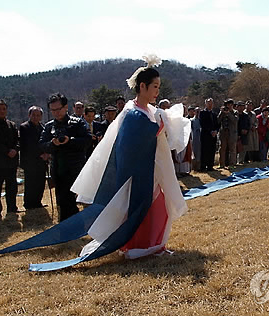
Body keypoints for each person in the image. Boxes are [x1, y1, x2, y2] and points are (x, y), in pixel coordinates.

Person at [71, 55, 189, 260]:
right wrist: (162, 124)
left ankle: (153, 245)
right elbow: (140, 136)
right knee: (141, 209)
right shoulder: (133, 112)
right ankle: (138, 246)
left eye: (158, 87)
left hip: (150, 170)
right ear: (142, 86)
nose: (157, 92)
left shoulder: (148, 110)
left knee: (158, 208)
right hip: (137, 173)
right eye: (154, 87)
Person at [40, 93, 92, 221]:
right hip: (58, 168)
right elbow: (41, 145)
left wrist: (70, 141)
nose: (56, 113)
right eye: (53, 110)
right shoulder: (49, 126)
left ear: (66, 107)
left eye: (58, 109)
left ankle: (74, 222)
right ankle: (67, 224)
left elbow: (87, 141)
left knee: (74, 199)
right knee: (62, 199)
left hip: (75, 167)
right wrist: (52, 143)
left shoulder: (77, 123)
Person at [19, 106, 49, 210]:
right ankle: (29, 204)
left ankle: (38, 202)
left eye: (38, 115)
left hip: (42, 161)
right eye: (33, 115)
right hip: (30, 160)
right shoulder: (24, 127)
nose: (36, 117)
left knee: (40, 182)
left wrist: (46, 153)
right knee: (31, 183)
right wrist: (39, 154)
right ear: (29, 115)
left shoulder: (43, 127)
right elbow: (28, 145)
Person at [199, 98, 219, 171]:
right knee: (205, 151)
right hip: (205, 135)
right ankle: (203, 166)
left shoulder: (214, 114)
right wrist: (210, 131)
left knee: (212, 150)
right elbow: (203, 124)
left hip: (213, 136)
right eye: (208, 103)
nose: (210, 105)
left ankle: (210, 166)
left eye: (211, 103)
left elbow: (217, 125)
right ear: (205, 104)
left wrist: (216, 131)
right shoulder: (202, 113)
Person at [217, 98, 238, 168]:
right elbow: (218, 121)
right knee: (222, 149)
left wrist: (228, 114)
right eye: (227, 105)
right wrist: (221, 113)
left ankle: (232, 164)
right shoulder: (222, 112)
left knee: (232, 149)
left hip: (231, 133)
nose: (229, 106)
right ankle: (221, 164)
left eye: (230, 105)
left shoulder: (235, 112)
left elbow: (235, 121)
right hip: (223, 133)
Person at [190, 106, 202, 171]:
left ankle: (199, 167)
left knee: (199, 152)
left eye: (199, 112)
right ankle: (193, 167)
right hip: (194, 138)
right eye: (197, 111)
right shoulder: (191, 120)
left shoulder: (202, 120)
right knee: (194, 152)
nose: (198, 113)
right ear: (194, 112)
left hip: (200, 138)